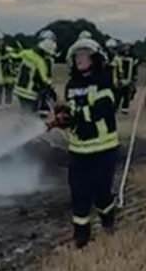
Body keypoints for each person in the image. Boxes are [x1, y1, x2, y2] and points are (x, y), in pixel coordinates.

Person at [48, 38, 118, 248]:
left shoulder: (104, 81)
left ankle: (108, 220)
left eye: (84, 55)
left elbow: (103, 108)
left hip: (102, 148)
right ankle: (81, 236)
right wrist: (61, 119)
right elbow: (70, 112)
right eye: (77, 56)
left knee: (101, 192)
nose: (79, 59)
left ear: (94, 58)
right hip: (78, 150)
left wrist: (74, 115)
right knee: (78, 193)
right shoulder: (72, 85)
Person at [14, 38, 56, 118]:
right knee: (30, 115)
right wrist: (50, 86)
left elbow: (15, 57)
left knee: (24, 112)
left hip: (19, 90)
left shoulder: (26, 53)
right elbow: (44, 79)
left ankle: (20, 127)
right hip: (30, 93)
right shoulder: (40, 61)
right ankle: (25, 129)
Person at [112, 43, 138, 115]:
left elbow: (134, 68)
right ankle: (116, 107)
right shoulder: (117, 58)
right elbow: (114, 69)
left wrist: (134, 77)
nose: (126, 50)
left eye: (127, 48)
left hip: (128, 79)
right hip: (119, 79)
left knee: (127, 94)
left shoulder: (133, 58)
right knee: (118, 95)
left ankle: (125, 108)